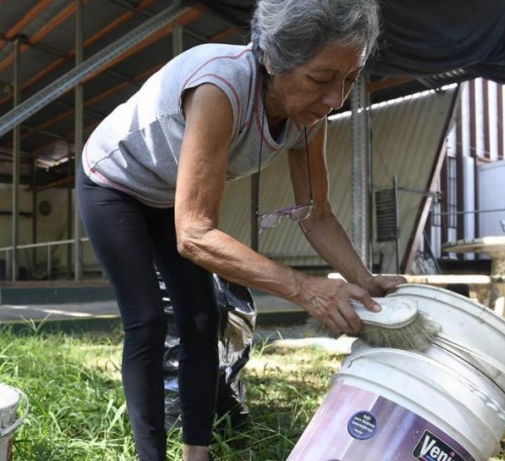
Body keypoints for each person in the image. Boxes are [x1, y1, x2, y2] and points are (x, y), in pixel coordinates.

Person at [76, 1, 404, 459]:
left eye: (349, 80)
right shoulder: (220, 87)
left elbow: (316, 213)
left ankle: (197, 452)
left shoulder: (308, 116)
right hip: (115, 183)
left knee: (204, 317)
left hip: (168, 194)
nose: (337, 99)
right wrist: (305, 289)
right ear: (274, 59)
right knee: (147, 321)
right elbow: (194, 234)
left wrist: (364, 280)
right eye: (322, 79)